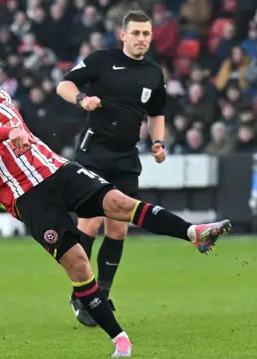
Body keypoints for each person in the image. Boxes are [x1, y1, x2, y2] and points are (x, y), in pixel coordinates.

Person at [0, 52, 232, 357]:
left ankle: (193, 233)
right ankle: (120, 340)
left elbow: (6, 140)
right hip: (30, 198)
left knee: (120, 203)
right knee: (78, 263)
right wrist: (6, 139)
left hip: (59, 170)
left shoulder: (1, 97)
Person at [56, 10, 168, 327]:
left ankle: (102, 294)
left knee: (118, 227)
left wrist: (158, 143)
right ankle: (82, 294)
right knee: (90, 223)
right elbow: (62, 85)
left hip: (126, 156)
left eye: (146, 34)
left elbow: (157, 113)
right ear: (123, 35)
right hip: (95, 152)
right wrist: (81, 99)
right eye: (135, 33)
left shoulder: (154, 73)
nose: (141, 39)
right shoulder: (100, 60)